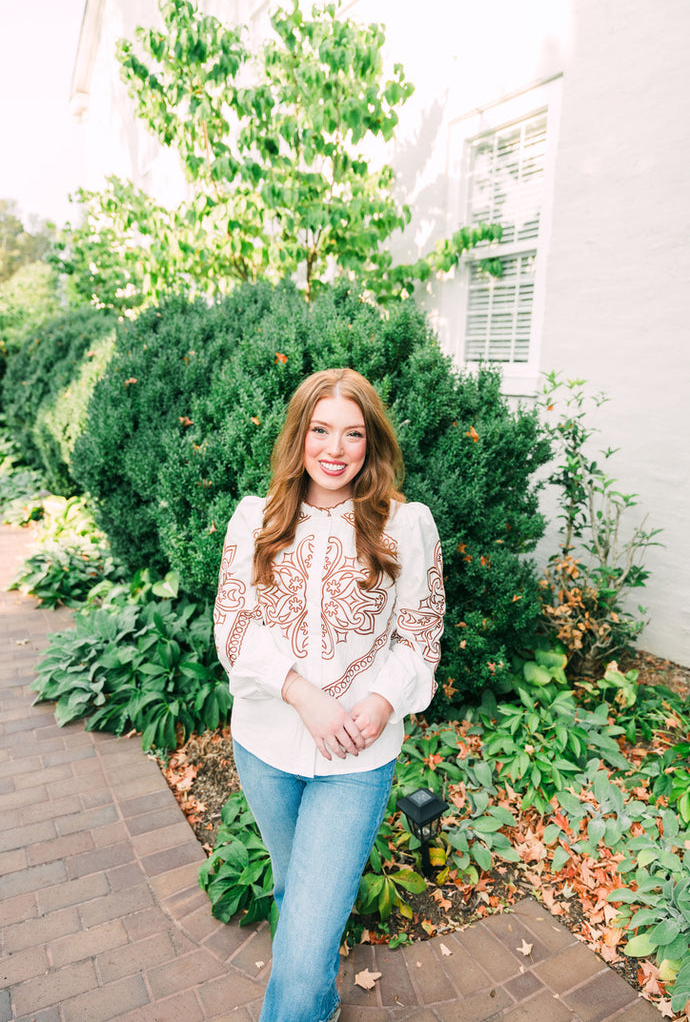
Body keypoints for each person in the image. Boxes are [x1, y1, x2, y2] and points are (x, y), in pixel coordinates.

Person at [214, 368, 445, 1022]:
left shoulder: (406, 525)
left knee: (303, 945)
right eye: (320, 430)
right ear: (300, 435)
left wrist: (378, 703)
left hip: (357, 757)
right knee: (296, 894)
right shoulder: (253, 521)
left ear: (371, 442)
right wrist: (303, 695)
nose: (335, 448)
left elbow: (419, 635)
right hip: (263, 744)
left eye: (353, 432)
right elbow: (233, 629)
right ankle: (321, 1001)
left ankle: (303, 1000)